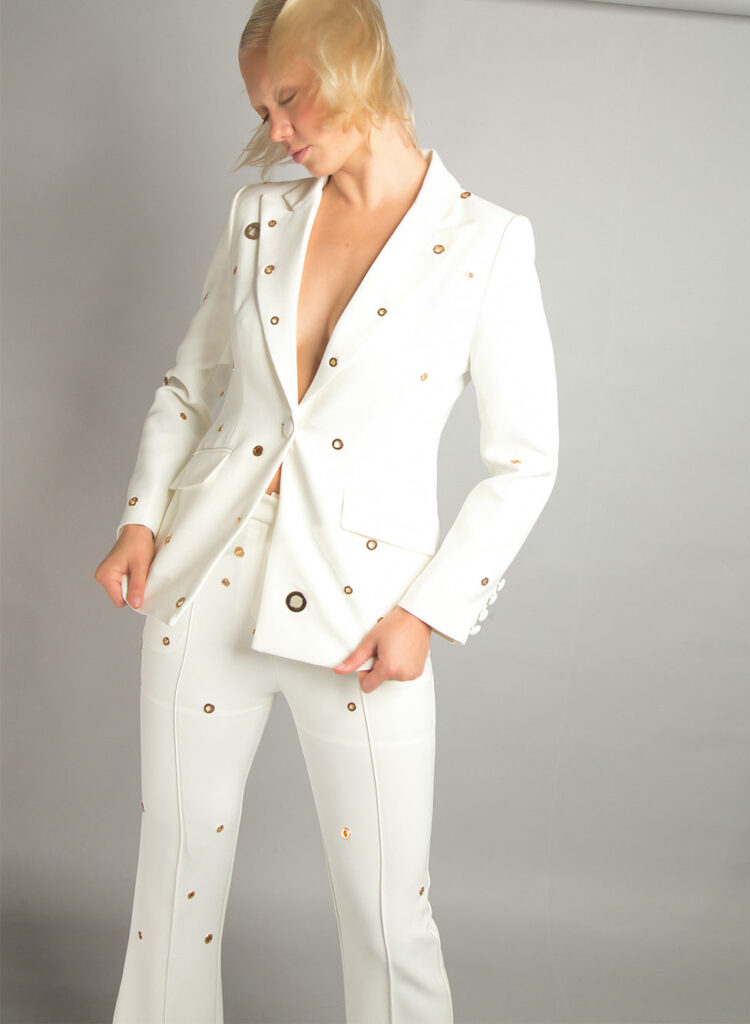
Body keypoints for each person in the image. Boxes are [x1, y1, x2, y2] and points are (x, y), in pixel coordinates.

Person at [94, 0, 559, 1020]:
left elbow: (524, 463)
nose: (277, 131)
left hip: (363, 615)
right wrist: (140, 519)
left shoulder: (485, 243)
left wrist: (427, 611)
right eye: (263, 111)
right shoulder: (259, 217)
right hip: (202, 579)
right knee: (174, 881)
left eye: (290, 99)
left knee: (388, 911)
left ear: (358, 65)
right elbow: (192, 386)